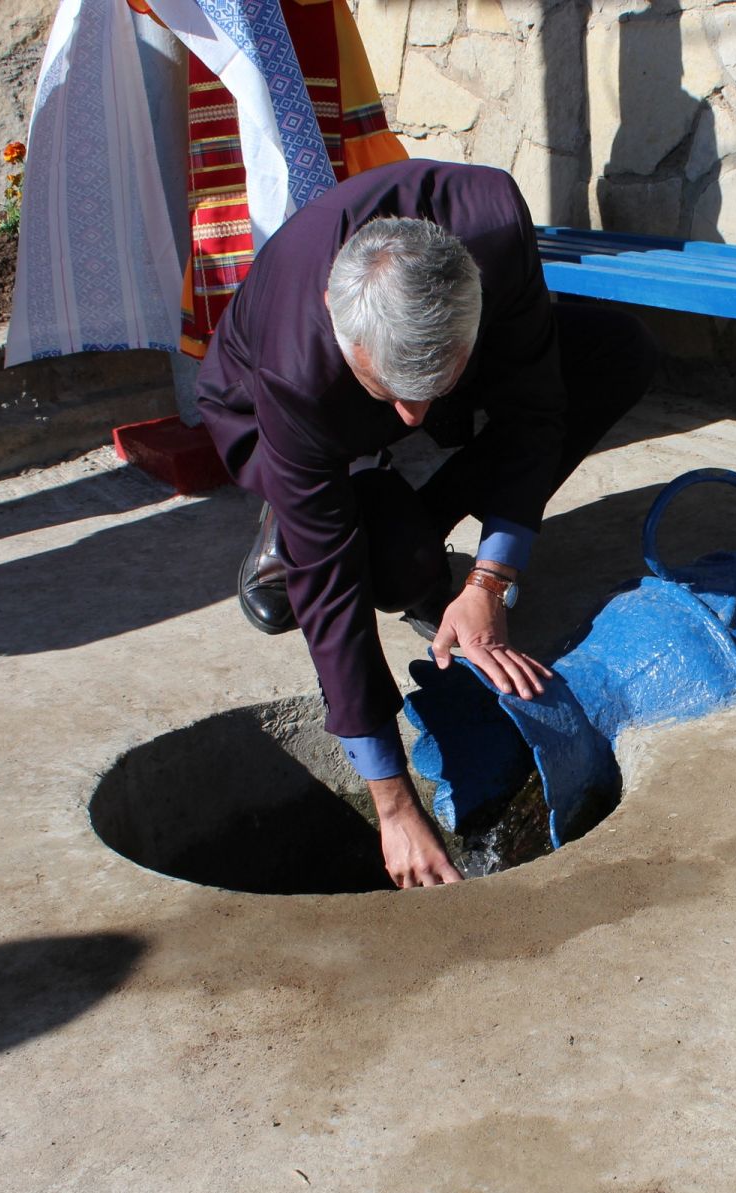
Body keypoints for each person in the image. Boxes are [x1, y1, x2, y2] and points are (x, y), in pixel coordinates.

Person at [198, 159, 655, 889]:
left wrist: (488, 581)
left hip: (419, 356)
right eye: (391, 395)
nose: (409, 419)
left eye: (425, 394)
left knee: (614, 353)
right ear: (345, 332)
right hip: (271, 409)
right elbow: (332, 600)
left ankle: (396, 508)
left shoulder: (497, 228)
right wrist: (393, 800)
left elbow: (535, 410)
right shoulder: (299, 361)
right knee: (377, 565)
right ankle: (295, 505)